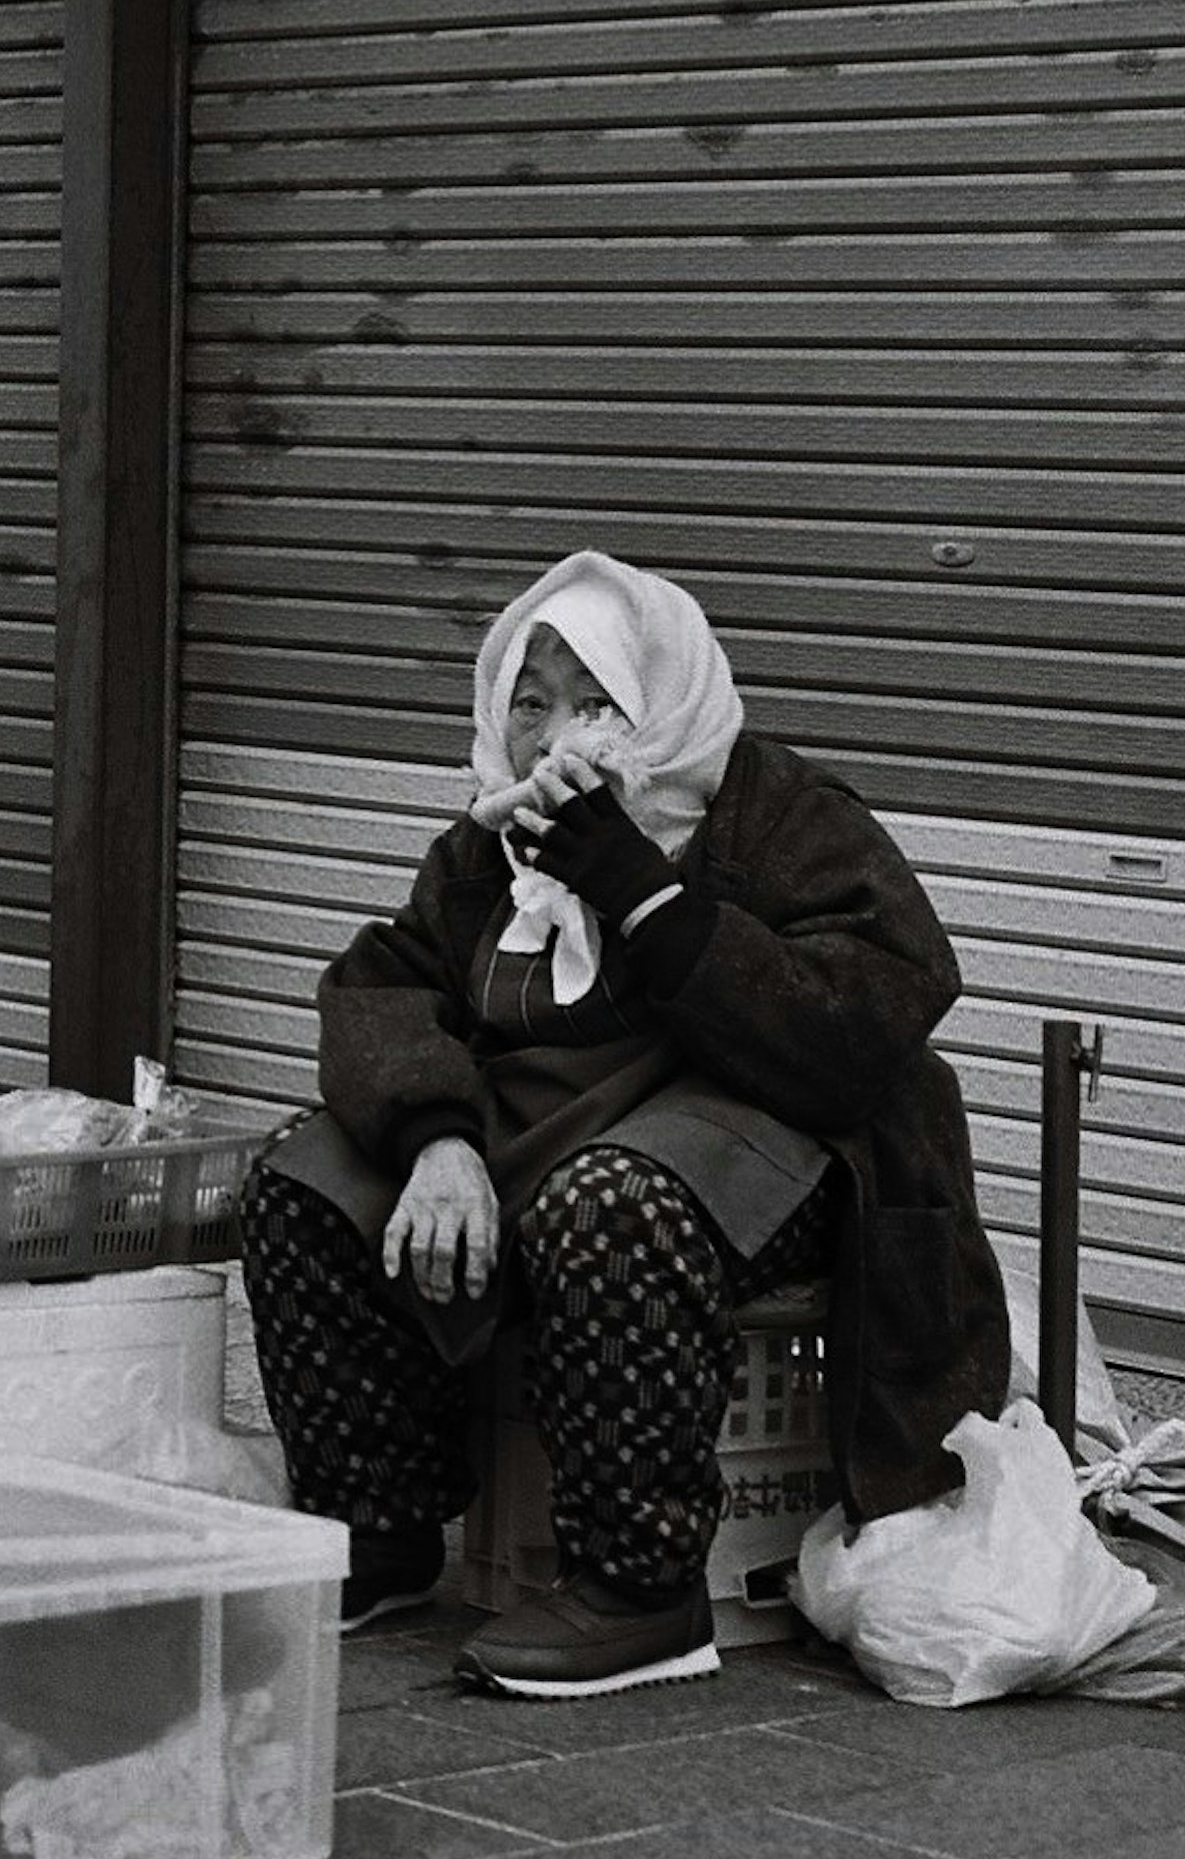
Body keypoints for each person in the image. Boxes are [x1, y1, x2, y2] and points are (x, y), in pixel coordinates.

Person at [241, 551, 1011, 1699]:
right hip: (549, 1130)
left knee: (610, 1206)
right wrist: (436, 1139)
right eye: (531, 704)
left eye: (598, 701)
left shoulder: (780, 818)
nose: (558, 737)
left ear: (666, 703)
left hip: (772, 1138)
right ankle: (378, 1524)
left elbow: (874, 1008)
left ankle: (643, 1588)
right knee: (300, 1184)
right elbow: (381, 988)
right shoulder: (490, 851)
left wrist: (642, 891)